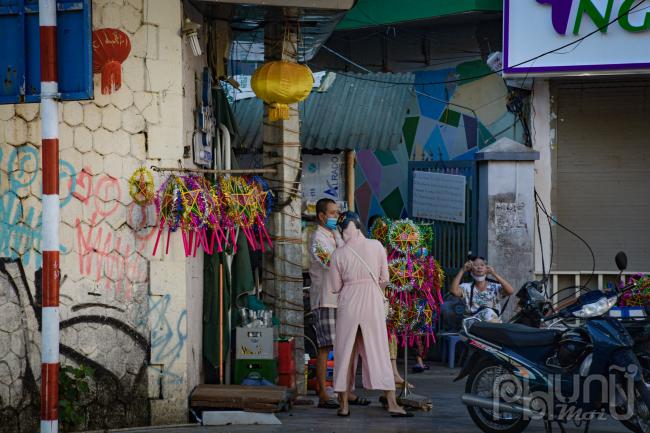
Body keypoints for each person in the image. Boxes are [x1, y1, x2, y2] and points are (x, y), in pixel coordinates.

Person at [327, 212, 411, 418]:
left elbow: (335, 287)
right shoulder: (377, 246)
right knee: (379, 350)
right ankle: (392, 403)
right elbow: (384, 278)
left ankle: (344, 405)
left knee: (344, 353)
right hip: (372, 301)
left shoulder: (338, 254)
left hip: (348, 303)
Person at [309, 199, 364, 409]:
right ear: (322, 216)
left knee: (345, 346)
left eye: (337, 212)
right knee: (326, 346)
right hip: (326, 299)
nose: (336, 216)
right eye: (332, 213)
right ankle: (323, 392)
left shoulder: (337, 234)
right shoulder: (318, 239)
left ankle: (346, 391)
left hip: (341, 299)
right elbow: (333, 263)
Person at [367, 214, 411, 388]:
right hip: (372, 295)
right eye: (379, 227)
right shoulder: (369, 247)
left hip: (389, 297)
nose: (383, 230)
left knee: (390, 334)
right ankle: (378, 375)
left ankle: (393, 373)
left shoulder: (392, 249)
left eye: (385, 227)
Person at [449, 255, 515, 322]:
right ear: (471, 269)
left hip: (493, 325)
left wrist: (495, 274)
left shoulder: (495, 286)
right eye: (476, 265)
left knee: (489, 313)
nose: (479, 267)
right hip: (473, 323)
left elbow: (510, 291)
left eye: (482, 265)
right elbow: (453, 291)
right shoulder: (466, 287)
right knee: (488, 312)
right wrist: (462, 270)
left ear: (487, 269)